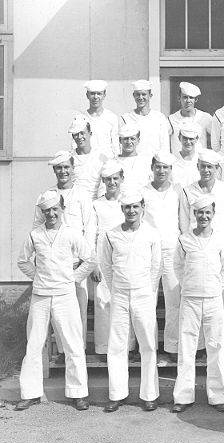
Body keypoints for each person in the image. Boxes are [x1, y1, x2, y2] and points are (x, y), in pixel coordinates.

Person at [15, 191, 95, 411]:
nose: (51, 214)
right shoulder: (34, 235)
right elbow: (23, 262)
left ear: (62, 210)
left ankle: (78, 394)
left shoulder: (71, 234)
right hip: (41, 296)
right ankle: (30, 393)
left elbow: (89, 259)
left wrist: (73, 279)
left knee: (73, 344)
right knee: (34, 344)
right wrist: (37, 277)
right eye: (46, 211)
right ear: (42, 212)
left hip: (65, 295)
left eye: (54, 210)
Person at [101, 192, 161, 412]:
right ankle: (117, 394)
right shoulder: (111, 235)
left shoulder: (152, 234)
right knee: (117, 344)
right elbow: (106, 266)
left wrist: (146, 290)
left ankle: (149, 395)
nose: (131, 211)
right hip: (119, 294)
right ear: (122, 209)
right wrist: (118, 287)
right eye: (127, 207)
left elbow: (156, 268)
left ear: (142, 206)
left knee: (147, 343)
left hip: (143, 294)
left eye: (135, 206)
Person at [172, 195, 224, 413]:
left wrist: (217, 288)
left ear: (213, 214)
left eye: (207, 212)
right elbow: (178, 266)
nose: (203, 216)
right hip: (190, 300)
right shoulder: (184, 240)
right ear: (194, 215)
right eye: (200, 212)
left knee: (215, 347)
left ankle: (218, 396)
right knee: (187, 348)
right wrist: (189, 285)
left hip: (214, 300)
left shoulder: (220, 240)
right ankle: (183, 396)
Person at [33, 151, 95, 344]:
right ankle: (62, 350)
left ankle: (79, 350)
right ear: (54, 170)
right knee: (57, 311)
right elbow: (37, 228)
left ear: (72, 168)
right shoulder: (47, 195)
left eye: (66, 167)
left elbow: (90, 227)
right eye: (59, 168)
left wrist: (88, 259)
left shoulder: (82, 195)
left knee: (77, 309)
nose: (63, 171)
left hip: (77, 261)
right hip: (54, 263)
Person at [90, 161, 135, 358]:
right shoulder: (96, 205)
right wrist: (94, 263)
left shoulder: (129, 203)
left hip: (125, 254)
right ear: (103, 181)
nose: (112, 182)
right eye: (108, 179)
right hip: (102, 255)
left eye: (115, 178)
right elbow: (91, 235)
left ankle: (128, 347)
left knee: (126, 301)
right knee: (103, 302)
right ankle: (103, 348)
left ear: (121, 179)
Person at [142, 151, 183, 359]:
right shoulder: (143, 192)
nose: (161, 171)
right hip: (149, 251)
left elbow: (182, 221)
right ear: (152, 167)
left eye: (165, 167)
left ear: (171, 170)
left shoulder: (178, 192)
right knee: (147, 300)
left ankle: (173, 346)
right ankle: (148, 347)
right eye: (158, 166)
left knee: (173, 300)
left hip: (172, 249)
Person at [121, 80, 171, 155]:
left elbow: (164, 145)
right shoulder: (126, 118)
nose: (140, 97)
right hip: (133, 162)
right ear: (133, 95)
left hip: (154, 163)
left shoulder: (159, 117)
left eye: (144, 94)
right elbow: (121, 145)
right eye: (138, 94)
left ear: (150, 95)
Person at [68, 114, 107, 200]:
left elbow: (105, 186)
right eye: (76, 134)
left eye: (82, 133)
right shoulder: (68, 158)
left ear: (90, 134)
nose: (79, 137)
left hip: (95, 203)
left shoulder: (102, 157)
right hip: (75, 204)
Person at [169, 81, 213, 153]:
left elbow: (219, 137)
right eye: (185, 97)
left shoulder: (205, 117)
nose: (188, 101)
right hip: (178, 162)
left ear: (196, 99)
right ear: (179, 98)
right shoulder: (171, 119)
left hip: (199, 162)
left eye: (191, 97)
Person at [80, 80, 119, 158]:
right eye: (92, 93)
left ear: (104, 95)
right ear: (87, 95)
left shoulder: (111, 117)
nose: (95, 97)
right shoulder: (81, 118)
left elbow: (116, 143)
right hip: (88, 162)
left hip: (107, 162)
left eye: (99, 94)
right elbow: (75, 144)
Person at [116, 124, 153, 194]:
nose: (129, 142)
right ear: (120, 140)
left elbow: (153, 186)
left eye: (132, 138)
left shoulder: (147, 161)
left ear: (138, 140)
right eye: (126, 138)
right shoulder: (112, 163)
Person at [171, 123, 202, 189]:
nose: (188, 142)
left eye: (191, 139)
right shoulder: (171, 161)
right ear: (179, 138)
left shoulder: (202, 160)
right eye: (185, 138)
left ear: (196, 139)